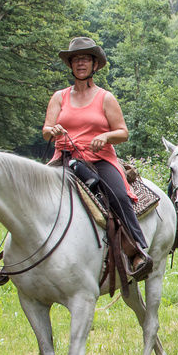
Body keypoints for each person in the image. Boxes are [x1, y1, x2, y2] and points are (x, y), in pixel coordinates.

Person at [42, 36, 151, 278]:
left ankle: (137, 250)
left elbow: (123, 133)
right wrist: (54, 130)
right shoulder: (59, 97)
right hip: (64, 157)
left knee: (120, 196)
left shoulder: (106, 98)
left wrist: (106, 137)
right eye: (76, 59)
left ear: (94, 65)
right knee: (31, 192)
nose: (80, 63)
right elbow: (46, 129)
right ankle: (15, 255)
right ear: (70, 65)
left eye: (85, 59)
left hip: (99, 159)